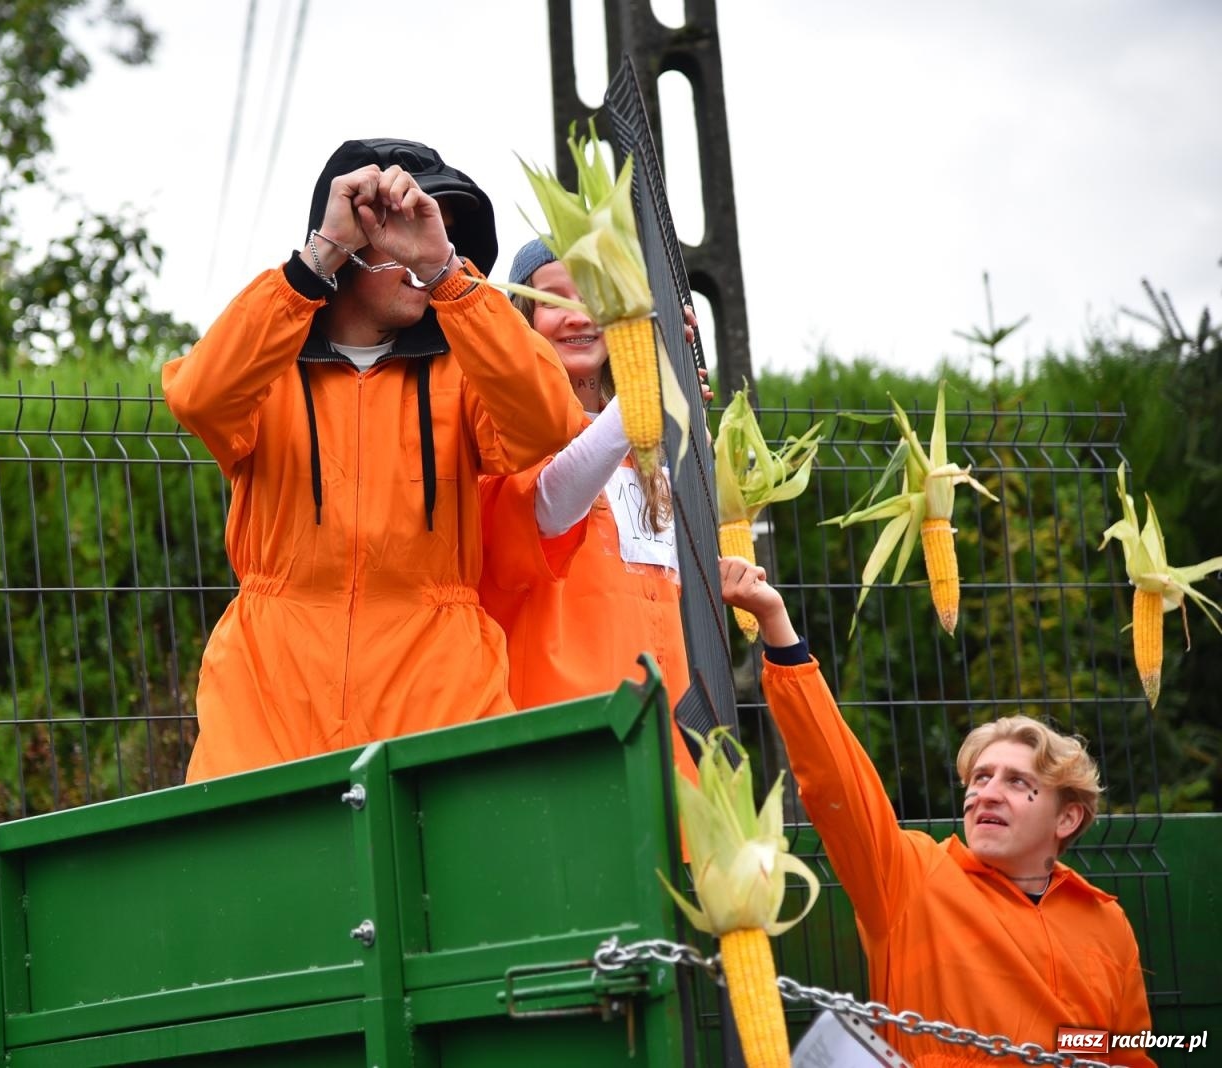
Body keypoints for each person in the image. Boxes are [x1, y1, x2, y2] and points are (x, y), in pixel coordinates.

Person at [161, 139, 584, 782]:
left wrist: (448, 274)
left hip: (441, 701)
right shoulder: (266, 364)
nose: (419, 256)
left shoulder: (463, 371)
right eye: (401, 233)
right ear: (352, 240)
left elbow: (549, 420)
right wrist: (314, 262)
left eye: (438, 236)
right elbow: (198, 396)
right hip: (269, 706)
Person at [718, 554, 1155, 1067]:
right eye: (979, 778)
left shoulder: (1106, 922)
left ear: (1067, 818)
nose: (986, 793)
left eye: (1017, 782)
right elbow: (837, 780)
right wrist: (777, 626)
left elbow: (1127, 1051)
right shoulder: (910, 878)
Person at [478, 239, 706, 781]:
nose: (581, 317)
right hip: (568, 736)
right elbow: (548, 510)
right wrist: (643, 388)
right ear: (523, 318)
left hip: (667, 737)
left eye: (598, 298)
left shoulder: (649, 445)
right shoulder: (498, 432)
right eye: (554, 299)